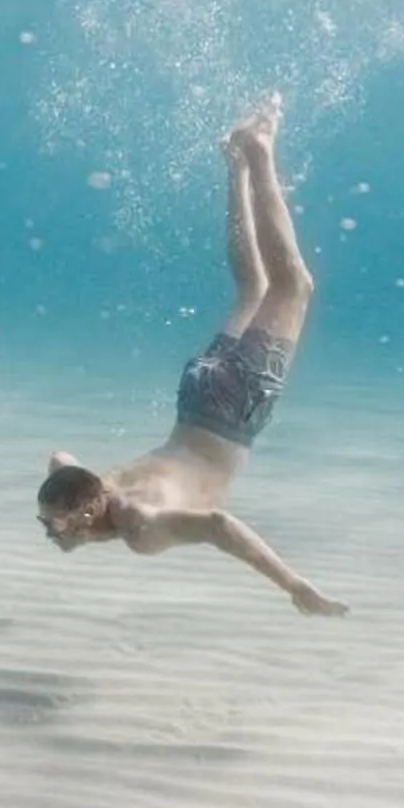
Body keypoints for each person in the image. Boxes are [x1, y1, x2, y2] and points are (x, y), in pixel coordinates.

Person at [37, 96, 348, 615]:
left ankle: (258, 151)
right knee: (251, 287)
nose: (49, 533)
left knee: (293, 285)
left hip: (232, 411)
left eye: (54, 524)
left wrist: (294, 587)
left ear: (91, 509)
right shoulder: (91, 485)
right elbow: (61, 458)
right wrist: (66, 501)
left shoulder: (141, 525)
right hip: (196, 399)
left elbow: (219, 527)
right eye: (47, 523)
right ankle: (235, 164)